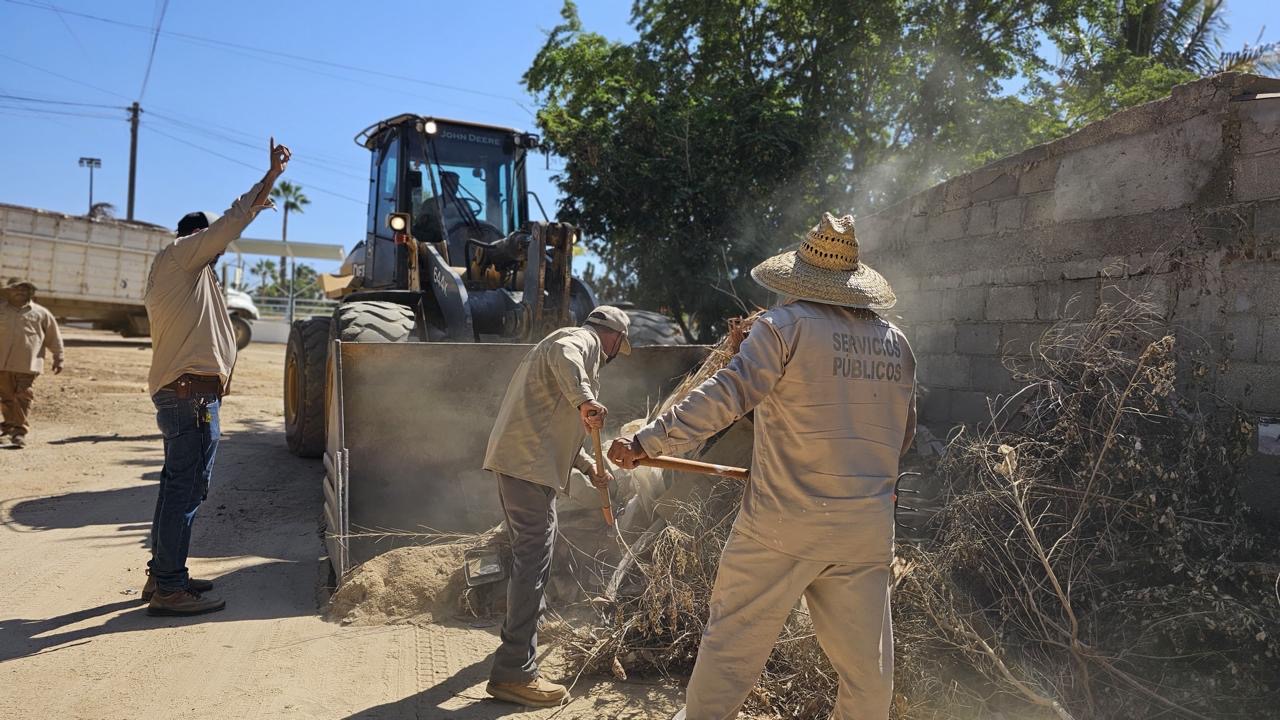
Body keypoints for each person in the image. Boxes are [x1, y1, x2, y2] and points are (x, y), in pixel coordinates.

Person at [609, 213, 917, 720]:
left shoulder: (783, 328)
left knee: (731, 649)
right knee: (868, 675)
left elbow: (726, 396)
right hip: (865, 532)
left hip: (782, 524)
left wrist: (648, 440)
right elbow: (900, 436)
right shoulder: (896, 343)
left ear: (797, 281)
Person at [141, 138, 291, 616]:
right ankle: (168, 588)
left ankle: (166, 575)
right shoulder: (183, 255)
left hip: (188, 396)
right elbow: (228, 221)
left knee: (177, 487)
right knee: (185, 490)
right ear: (195, 238)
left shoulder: (189, 275)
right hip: (191, 398)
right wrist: (268, 180)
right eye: (213, 241)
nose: (220, 249)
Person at [482, 305, 633, 707]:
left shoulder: (572, 352)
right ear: (614, 338)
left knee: (531, 557)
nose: (617, 352)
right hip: (528, 468)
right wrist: (586, 400)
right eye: (620, 345)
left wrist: (587, 468)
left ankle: (534, 623)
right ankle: (515, 673)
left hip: (522, 462)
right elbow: (565, 352)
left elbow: (558, 427)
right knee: (533, 561)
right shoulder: (579, 341)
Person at [0, 279, 64, 448]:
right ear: (8, 292)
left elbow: (53, 336)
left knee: (23, 395)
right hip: (2, 362)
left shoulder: (41, 313)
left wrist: (59, 357)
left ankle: (20, 432)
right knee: (6, 398)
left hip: (28, 363)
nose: (20, 292)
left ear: (30, 292)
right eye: (16, 289)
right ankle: (8, 429)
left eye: (24, 289)